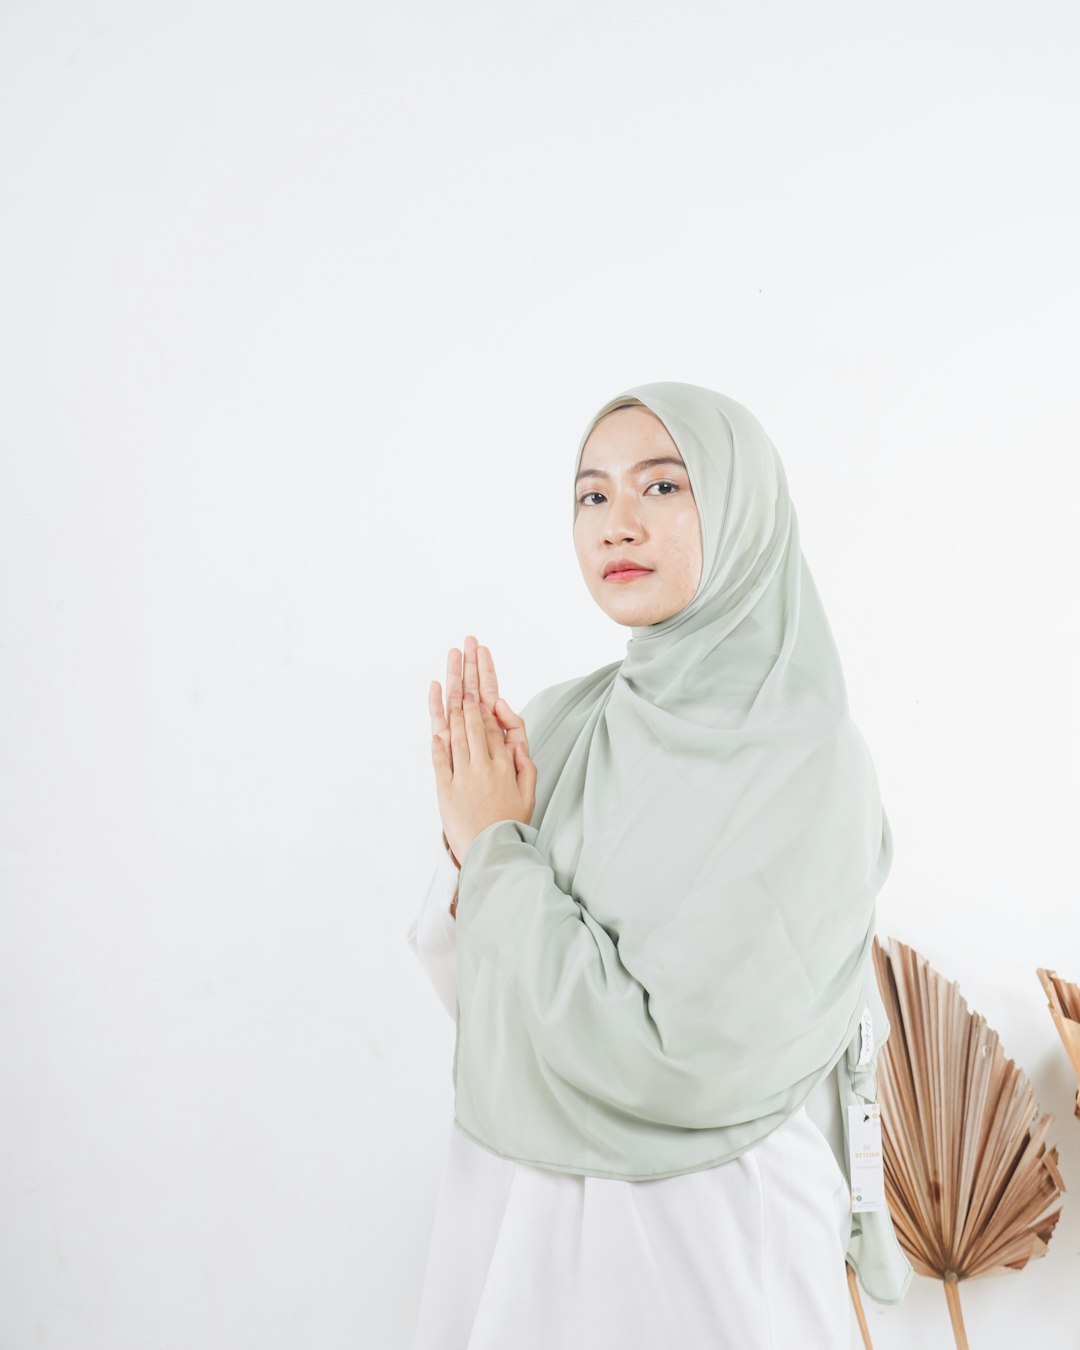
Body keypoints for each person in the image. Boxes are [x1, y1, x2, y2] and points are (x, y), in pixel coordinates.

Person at [405, 383, 912, 1349]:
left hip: (712, 1245)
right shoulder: (563, 722)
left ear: (742, 512)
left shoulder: (810, 764)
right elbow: (486, 1000)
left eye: (663, 485)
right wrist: (463, 839)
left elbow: (681, 1062)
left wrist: (497, 852)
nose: (616, 523)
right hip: (517, 1217)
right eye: (591, 496)